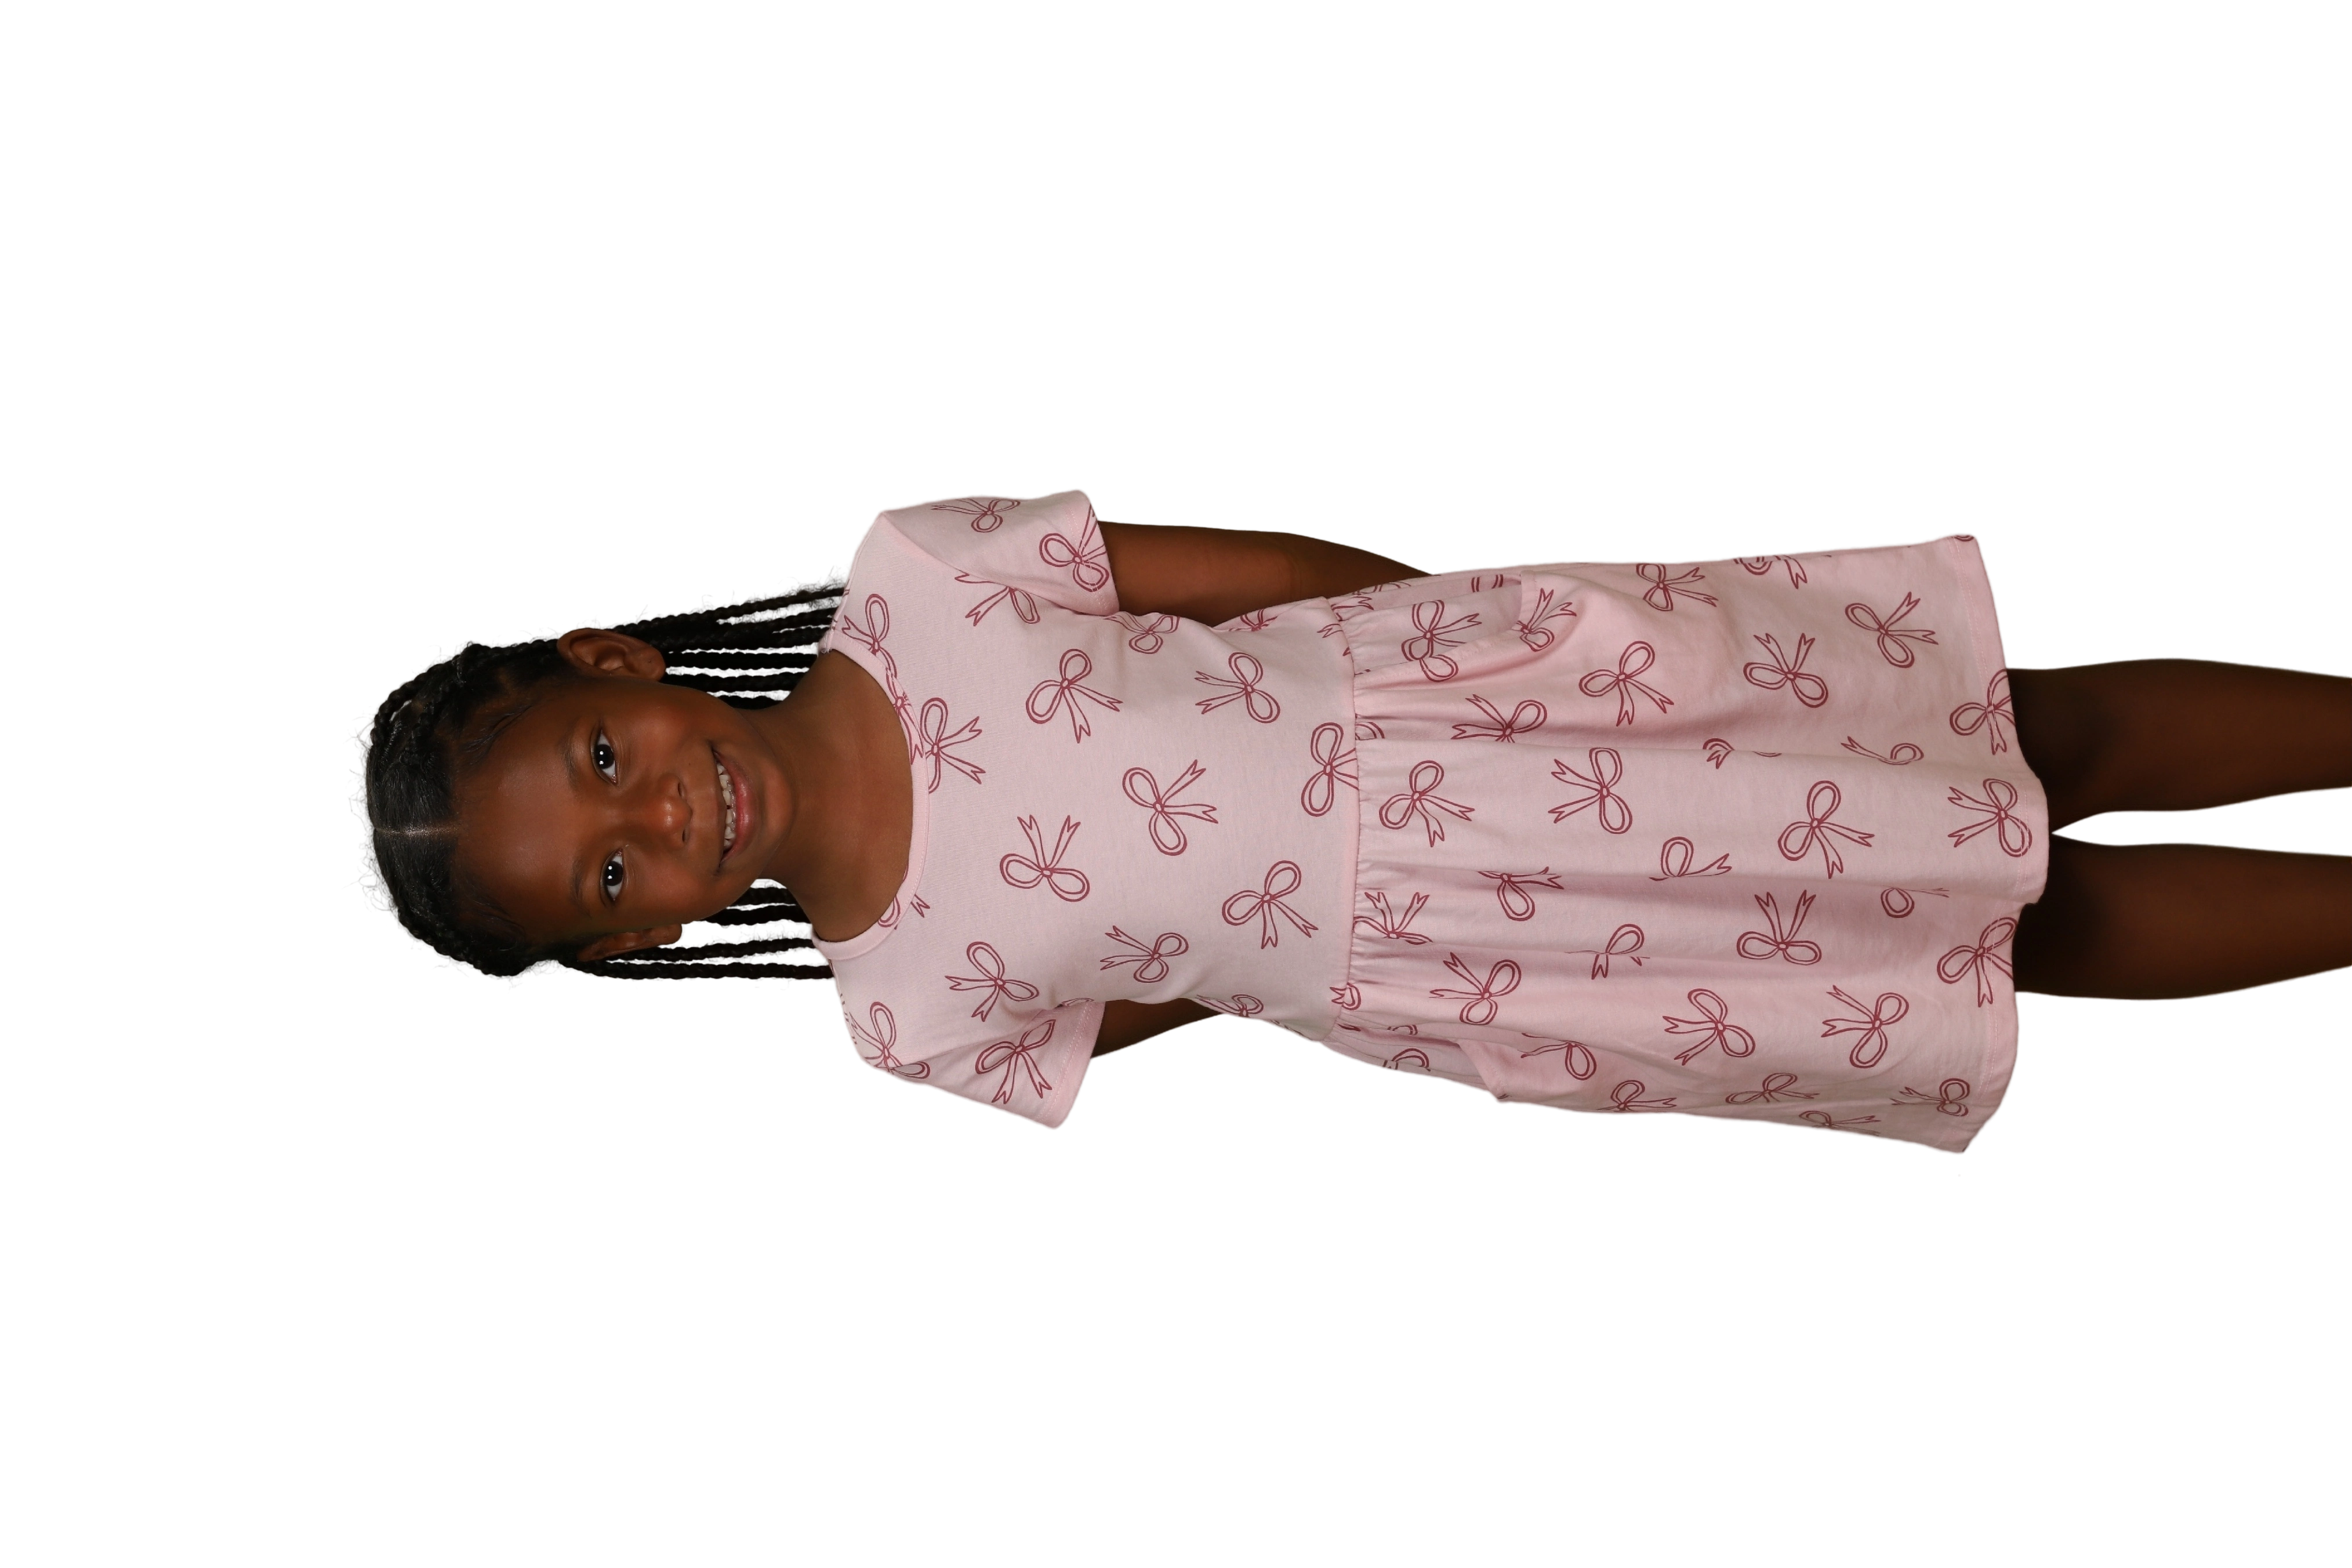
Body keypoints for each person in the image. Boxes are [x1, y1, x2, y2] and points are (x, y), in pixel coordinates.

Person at [343, 488, 2352, 1157]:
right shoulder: (911, 1017)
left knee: (2024, 727)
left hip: (1516, 704)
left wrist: (1491, 663)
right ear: (638, 935)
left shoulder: (923, 575)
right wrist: (1356, 933)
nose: (661, 813)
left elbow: (1257, 579)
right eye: (614, 872)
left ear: (615, 660)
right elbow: (1175, 987)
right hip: (1498, 958)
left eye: (602, 761)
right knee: (2018, 939)